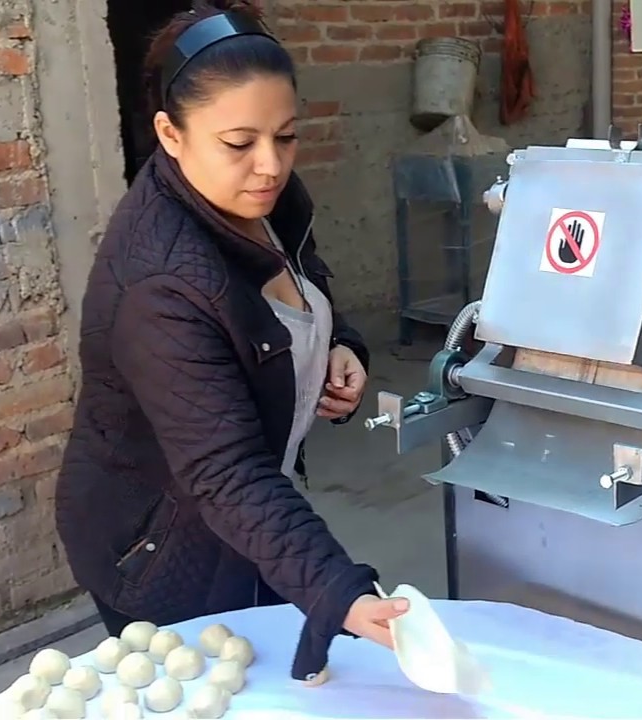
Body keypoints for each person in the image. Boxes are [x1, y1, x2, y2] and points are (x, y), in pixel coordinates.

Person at [54, 0, 408, 683]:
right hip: (165, 549)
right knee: (221, 688)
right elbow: (224, 471)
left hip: (244, 518)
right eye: (239, 143)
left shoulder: (266, 203)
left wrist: (344, 350)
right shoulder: (162, 280)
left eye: (287, 136)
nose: (270, 166)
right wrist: (340, 590)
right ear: (171, 133)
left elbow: (307, 293)